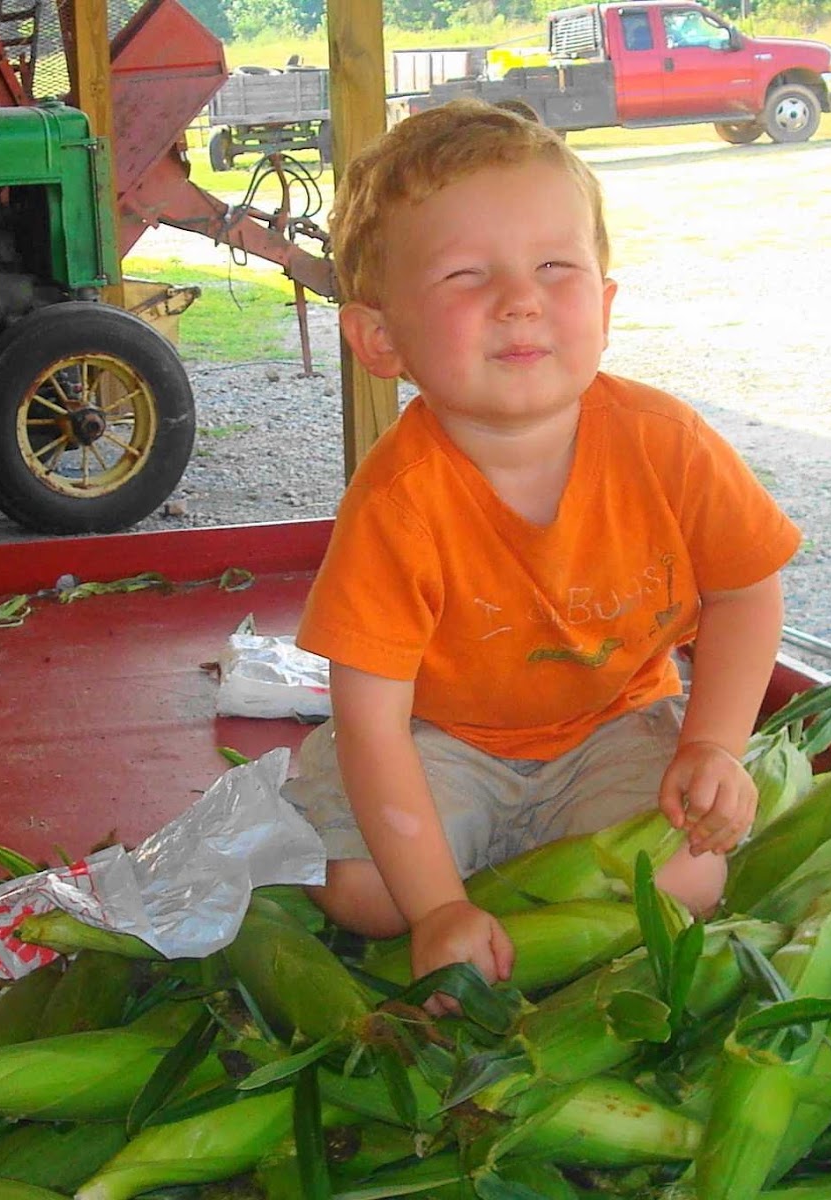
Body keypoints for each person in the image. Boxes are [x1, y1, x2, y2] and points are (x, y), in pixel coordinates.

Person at [286, 99, 800, 1007]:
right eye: (464, 274)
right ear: (380, 338)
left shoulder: (666, 442)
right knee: (364, 893)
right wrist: (436, 906)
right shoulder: (396, 502)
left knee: (691, 876)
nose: (519, 299)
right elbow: (371, 720)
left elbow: (747, 591)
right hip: (437, 739)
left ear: (603, 302)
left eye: (553, 266)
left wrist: (714, 745)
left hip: (612, 724)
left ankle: (499, 905)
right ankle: (475, 910)